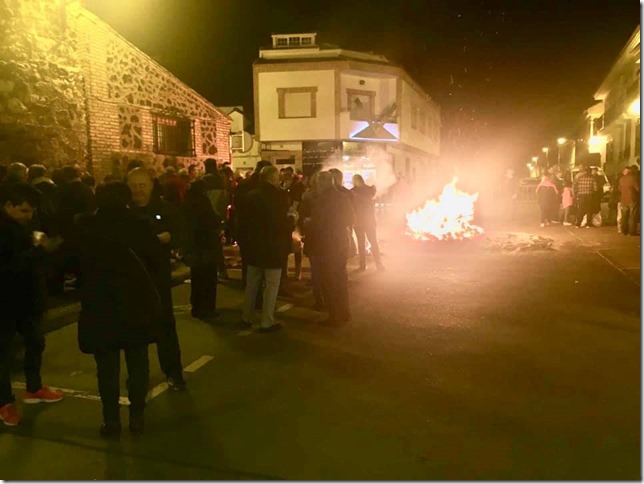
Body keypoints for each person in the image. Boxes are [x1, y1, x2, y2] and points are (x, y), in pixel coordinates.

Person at [76, 182, 163, 438]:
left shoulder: (86, 227)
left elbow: (73, 264)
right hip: (136, 303)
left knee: (106, 368)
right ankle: (137, 416)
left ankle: (111, 421)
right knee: (137, 362)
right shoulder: (141, 225)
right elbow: (155, 263)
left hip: (100, 304)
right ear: (126, 199)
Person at [0, 183, 64, 427]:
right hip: (5, 300)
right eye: (24, 211)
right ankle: (4, 402)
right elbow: (11, 265)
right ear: (9, 206)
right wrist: (39, 250)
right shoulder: (4, 231)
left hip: (30, 298)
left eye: (31, 211)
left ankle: (34, 388)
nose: (29, 216)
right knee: (3, 353)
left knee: (35, 342)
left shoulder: (27, 226)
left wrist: (42, 245)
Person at [127, 168, 187, 391]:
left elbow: (182, 233)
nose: (138, 190)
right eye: (133, 185)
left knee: (164, 328)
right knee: (134, 334)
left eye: (142, 185)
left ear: (151, 185)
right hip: (131, 280)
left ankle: (173, 372)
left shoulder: (165, 209)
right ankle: (137, 378)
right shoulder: (125, 212)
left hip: (157, 278)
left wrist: (170, 237)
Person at [240, 166, 294, 333]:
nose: (280, 181)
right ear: (272, 179)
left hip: (254, 248)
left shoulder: (251, 196)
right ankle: (266, 321)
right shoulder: (279, 197)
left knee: (252, 285)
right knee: (271, 286)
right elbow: (280, 224)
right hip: (273, 248)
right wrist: (292, 219)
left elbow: (243, 223)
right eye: (277, 178)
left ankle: (246, 317)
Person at [309, 171, 354, 326]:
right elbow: (351, 218)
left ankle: (334, 316)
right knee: (340, 279)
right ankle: (344, 312)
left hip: (326, 244)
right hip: (341, 242)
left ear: (321, 183)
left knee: (328, 281)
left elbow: (318, 223)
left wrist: (309, 223)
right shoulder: (343, 197)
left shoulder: (321, 200)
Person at [182, 180, 223, 321]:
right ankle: (207, 309)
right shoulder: (203, 201)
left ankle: (197, 307)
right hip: (206, 245)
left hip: (194, 245)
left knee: (197, 278)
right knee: (208, 278)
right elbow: (212, 220)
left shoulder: (187, 201)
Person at [299, 172, 325, 310]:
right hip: (327, 239)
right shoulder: (328, 197)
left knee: (316, 270)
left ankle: (319, 300)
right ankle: (327, 300)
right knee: (326, 271)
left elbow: (302, 217)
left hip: (314, 237)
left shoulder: (307, 197)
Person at [202, 158, 229, 281]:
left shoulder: (206, 180)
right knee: (217, 244)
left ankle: (217, 270)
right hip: (219, 216)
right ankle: (221, 269)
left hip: (209, 217)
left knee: (212, 245)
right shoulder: (221, 180)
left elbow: (206, 200)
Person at [350, 174, 384, 271]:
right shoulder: (369, 190)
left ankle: (362, 265)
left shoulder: (352, 192)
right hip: (369, 221)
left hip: (358, 222)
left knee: (361, 244)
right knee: (373, 242)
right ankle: (379, 264)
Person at [618, 165, 640, 236]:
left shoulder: (621, 179)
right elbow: (637, 188)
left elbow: (619, 189)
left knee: (624, 216)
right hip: (632, 199)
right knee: (632, 216)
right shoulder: (633, 178)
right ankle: (632, 231)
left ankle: (624, 230)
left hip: (624, 199)